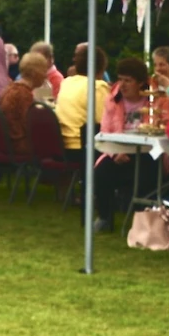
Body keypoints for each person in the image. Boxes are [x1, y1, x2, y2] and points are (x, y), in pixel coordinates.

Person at [93, 58, 169, 229]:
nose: (123, 85)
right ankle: (105, 216)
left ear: (141, 83)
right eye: (120, 79)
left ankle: (145, 220)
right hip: (119, 151)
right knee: (102, 172)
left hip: (150, 152)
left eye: (128, 81)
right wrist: (115, 152)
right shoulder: (113, 99)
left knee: (149, 173)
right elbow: (105, 130)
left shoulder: (159, 99)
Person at [55, 46, 111, 226]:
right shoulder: (98, 87)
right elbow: (105, 121)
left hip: (62, 144)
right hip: (84, 148)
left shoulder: (67, 82)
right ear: (102, 68)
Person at [0, 51, 51, 158]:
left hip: (6, 142)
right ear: (34, 73)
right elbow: (29, 126)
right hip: (19, 145)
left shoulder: (10, 88)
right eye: (44, 70)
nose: (46, 75)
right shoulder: (23, 94)